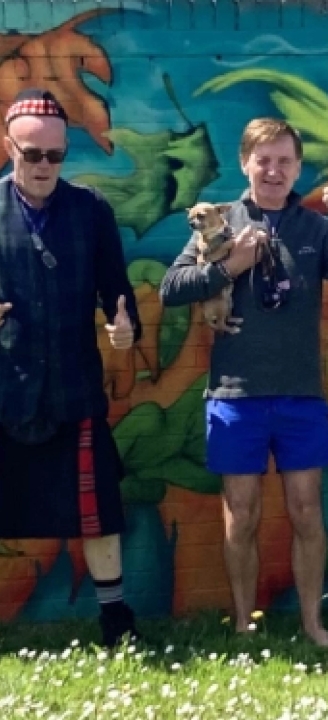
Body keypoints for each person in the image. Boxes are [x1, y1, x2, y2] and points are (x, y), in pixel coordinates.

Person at [159, 118, 328, 646]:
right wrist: (231, 266)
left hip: (300, 395)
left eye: (284, 161)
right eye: (264, 160)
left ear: (297, 167)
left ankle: (312, 624)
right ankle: (244, 623)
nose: (273, 171)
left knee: (306, 512)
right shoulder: (220, 220)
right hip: (235, 394)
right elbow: (172, 287)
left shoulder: (316, 226)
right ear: (245, 163)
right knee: (242, 515)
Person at [0, 89, 142, 646]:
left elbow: (118, 295)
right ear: (9, 147)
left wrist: (124, 327)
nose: (43, 167)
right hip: (5, 391)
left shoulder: (91, 210)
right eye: (31, 155)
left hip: (73, 390)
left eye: (54, 157)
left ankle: (116, 623)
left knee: (98, 511)